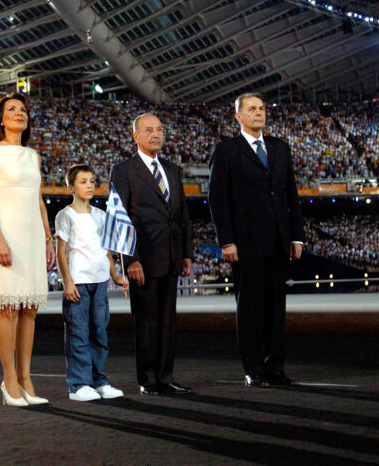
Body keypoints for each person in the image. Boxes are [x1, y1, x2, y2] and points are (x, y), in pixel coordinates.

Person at [207, 92, 305, 388]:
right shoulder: (226, 151)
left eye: (262, 108)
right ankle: (253, 368)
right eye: (252, 109)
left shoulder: (280, 148)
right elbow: (217, 200)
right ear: (238, 116)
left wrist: (296, 236)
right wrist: (227, 241)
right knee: (250, 310)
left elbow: (291, 195)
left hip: (278, 242)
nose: (259, 113)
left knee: (276, 310)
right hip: (246, 244)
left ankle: (275, 367)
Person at [0, 93, 55, 407]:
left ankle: (26, 378)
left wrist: (49, 240)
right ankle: (9, 380)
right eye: (11, 109)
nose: (19, 113)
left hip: (34, 237)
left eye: (23, 109)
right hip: (6, 236)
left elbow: (38, 202)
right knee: (9, 309)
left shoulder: (33, 156)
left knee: (30, 309)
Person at [110, 113, 194, 395]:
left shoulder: (172, 169)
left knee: (168, 322)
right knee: (146, 323)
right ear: (135, 136)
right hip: (142, 260)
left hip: (171, 256)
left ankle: (166, 377)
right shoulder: (123, 171)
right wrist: (130, 260)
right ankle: (148, 380)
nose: (156, 134)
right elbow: (120, 218)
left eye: (159, 129)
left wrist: (187, 253)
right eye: (148, 130)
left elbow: (182, 215)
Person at [55, 164, 129, 402]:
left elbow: (106, 250)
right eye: (83, 181)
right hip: (78, 283)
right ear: (70, 187)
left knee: (99, 334)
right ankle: (78, 385)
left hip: (100, 283)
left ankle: (99, 382)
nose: (89, 185)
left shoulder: (101, 215)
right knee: (78, 335)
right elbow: (61, 252)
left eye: (92, 181)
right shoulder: (65, 215)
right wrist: (67, 282)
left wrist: (116, 276)